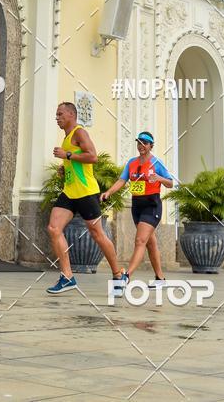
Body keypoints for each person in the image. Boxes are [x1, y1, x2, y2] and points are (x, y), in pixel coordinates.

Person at [46, 102, 126, 294]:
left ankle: (118, 273)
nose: (57, 118)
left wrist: (67, 155)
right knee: (53, 228)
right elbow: (75, 161)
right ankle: (67, 277)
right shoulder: (66, 137)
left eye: (60, 114)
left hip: (87, 192)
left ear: (71, 115)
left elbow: (93, 157)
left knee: (97, 234)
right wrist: (64, 168)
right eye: (56, 114)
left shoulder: (80, 133)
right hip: (70, 191)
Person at [101, 131, 173, 281]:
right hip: (137, 206)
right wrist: (109, 192)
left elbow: (170, 183)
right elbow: (122, 180)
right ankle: (160, 279)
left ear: (151, 146)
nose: (141, 146)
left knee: (140, 241)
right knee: (150, 243)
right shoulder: (132, 163)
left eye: (144, 143)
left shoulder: (156, 163)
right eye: (139, 142)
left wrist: (158, 178)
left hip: (152, 205)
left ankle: (126, 276)